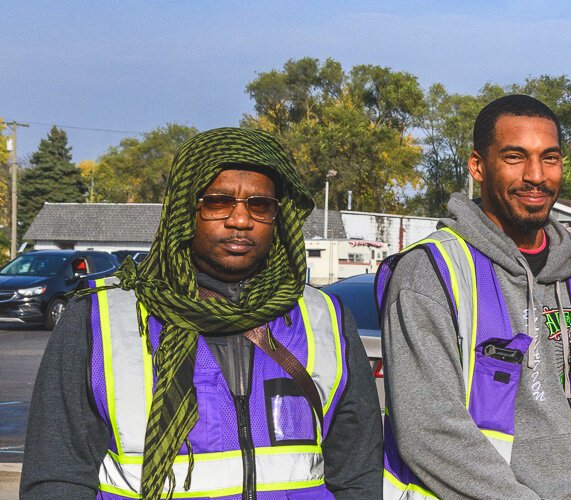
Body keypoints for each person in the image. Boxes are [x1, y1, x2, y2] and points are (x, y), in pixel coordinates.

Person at [21, 127, 381, 499]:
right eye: (218, 202)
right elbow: (57, 475)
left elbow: (356, 470)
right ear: (185, 209)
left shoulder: (324, 317)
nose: (240, 220)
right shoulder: (98, 318)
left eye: (259, 205)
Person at [379, 94, 571, 499]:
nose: (536, 175)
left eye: (550, 157)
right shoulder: (431, 273)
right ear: (477, 166)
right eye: (515, 157)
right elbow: (429, 429)